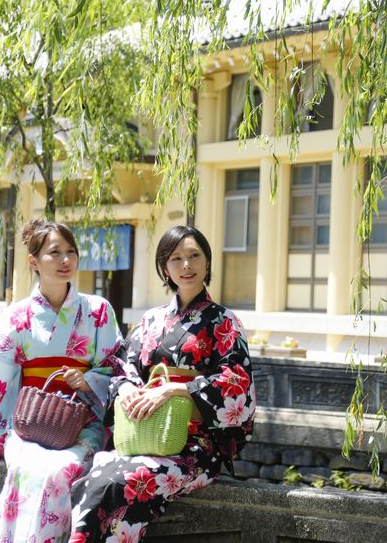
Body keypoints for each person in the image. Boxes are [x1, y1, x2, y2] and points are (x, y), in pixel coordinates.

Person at [0, 219, 124, 542]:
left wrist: (88, 380)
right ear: (33, 261)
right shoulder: (17, 315)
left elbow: (117, 368)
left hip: (81, 424)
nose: (65, 260)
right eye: (54, 252)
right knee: (23, 470)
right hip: (30, 424)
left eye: (71, 252)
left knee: (59, 471)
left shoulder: (99, 311)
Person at [69, 225, 255, 543]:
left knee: (124, 481)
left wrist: (176, 389)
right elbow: (122, 366)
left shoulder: (225, 322)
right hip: (146, 435)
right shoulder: (151, 320)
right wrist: (127, 388)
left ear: (207, 262)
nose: (186, 265)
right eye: (176, 258)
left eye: (194, 256)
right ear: (165, 267)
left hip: (196, 446)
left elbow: (236, 384)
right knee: (92, 478)